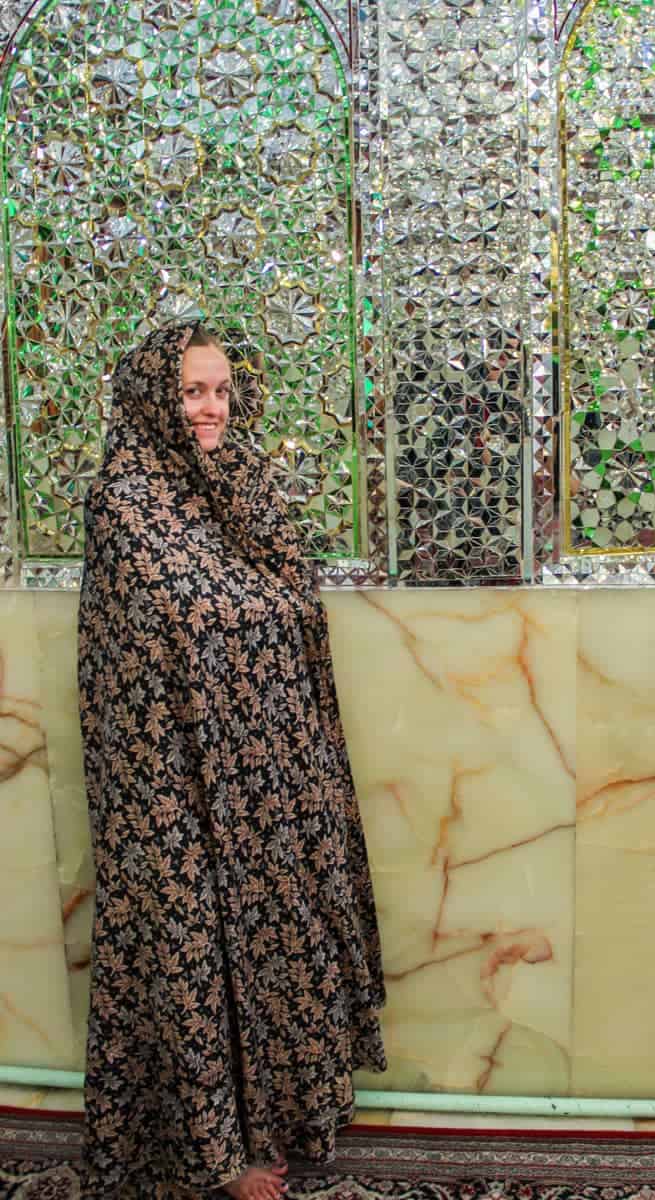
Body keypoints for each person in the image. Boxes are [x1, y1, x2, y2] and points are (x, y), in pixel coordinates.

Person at [77, 322, 387, 1200]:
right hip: (170, 782)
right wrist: (258, 609)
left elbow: (279, 600)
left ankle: (282, 1115)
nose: (211, 409)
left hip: (265, 770)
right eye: (190, 392)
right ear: (152, 399)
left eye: (219, 391)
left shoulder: (244, 483)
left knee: (274, 926)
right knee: (192, 944)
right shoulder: (124, 501)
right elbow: (168, 632)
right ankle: (217, 1150)